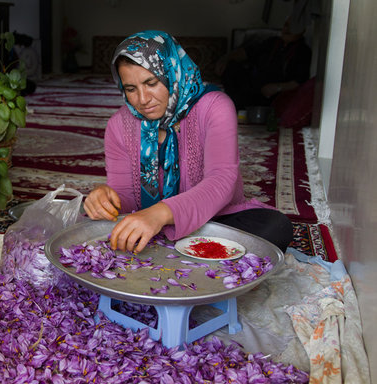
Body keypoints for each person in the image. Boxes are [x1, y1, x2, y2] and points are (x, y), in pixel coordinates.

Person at [83, 30, 293, 254]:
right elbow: (125, 196)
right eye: (131, 89)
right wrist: (106, 200)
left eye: (151, 83)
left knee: (274, 228)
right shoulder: (119, 125)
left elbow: (221, 181)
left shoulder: (215, 107)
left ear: (172, 72)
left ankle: (168, 242)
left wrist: (161, 213)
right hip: (147, 219)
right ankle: (176, 244)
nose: (142, 100)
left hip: (214, 217)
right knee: (88, 223)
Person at [217, 17, 312, 110]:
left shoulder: (303, 51)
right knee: (232, 68)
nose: (287, 29)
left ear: (301, 30)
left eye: (293, 27)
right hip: (255, 86)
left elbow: (299, 81)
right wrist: (225, 59)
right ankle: (230, 110)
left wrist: (277, 87)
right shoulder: (272, 42)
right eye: (286, 25)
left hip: (276, 93)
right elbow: (247, 52)